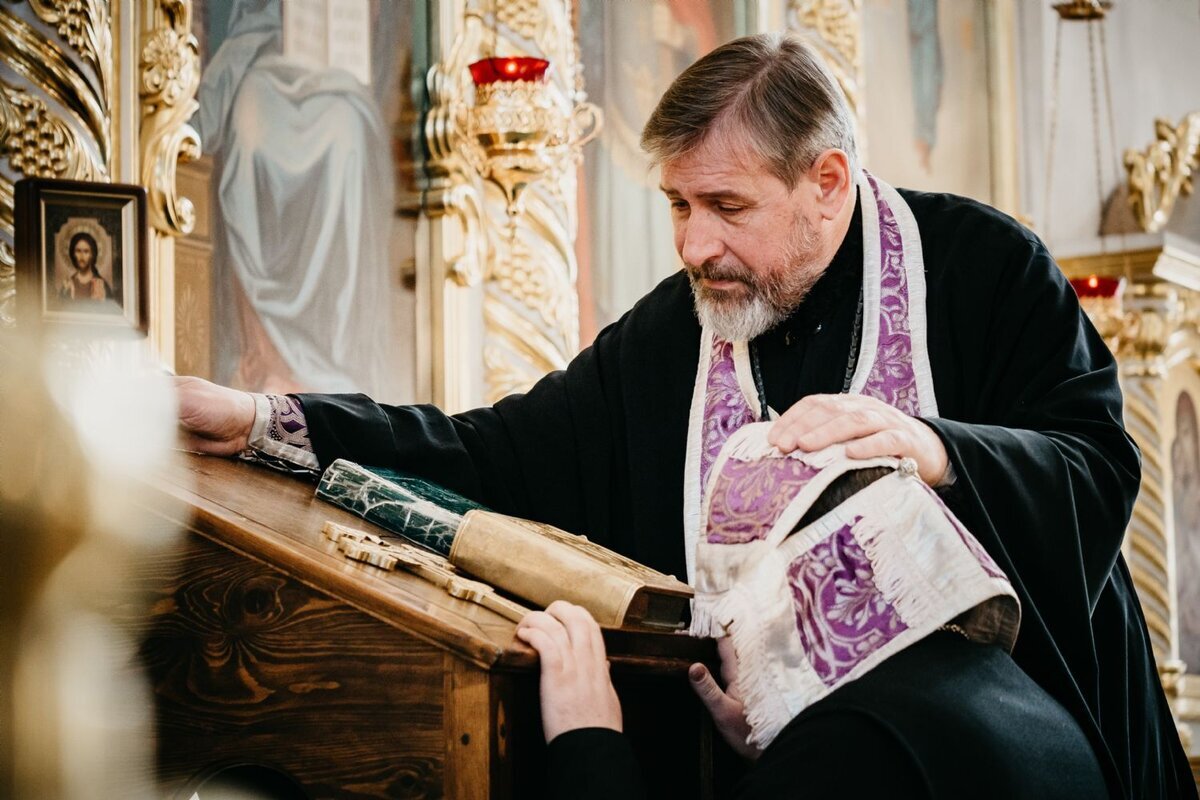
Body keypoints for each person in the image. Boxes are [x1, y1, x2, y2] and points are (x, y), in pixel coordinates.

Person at [177, 33, 1195, 798]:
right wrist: (267, 420)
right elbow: (495, 452)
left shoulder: (982, 267)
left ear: (826, 183)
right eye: (677, 205)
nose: (695, 244)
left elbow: (1098, 467)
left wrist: (938, 449)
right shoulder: (676, 330)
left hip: (1009, 755)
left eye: (727, 206)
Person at [516, 461, 1107, 799]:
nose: (723, 643)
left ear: (791, 606)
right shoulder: (1034, 710)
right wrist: (783, 747)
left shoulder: (847, 746)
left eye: (732, 616)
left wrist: (587, 738)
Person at [58, 232, 113, 303]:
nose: (82, 256)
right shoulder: (67, 285)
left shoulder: (102, 285)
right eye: (78, 251)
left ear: (92, 255)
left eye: (86, 251)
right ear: (73, 254)